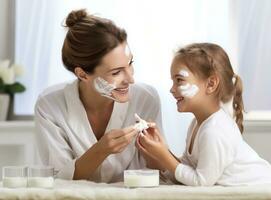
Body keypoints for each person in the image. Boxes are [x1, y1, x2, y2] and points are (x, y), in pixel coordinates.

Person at [34, 9, 163, 183]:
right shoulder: (50, 105)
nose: (131, 79)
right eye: (116, 72)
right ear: (82, 74)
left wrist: (157, 151)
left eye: (130, 63)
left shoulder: (146, 98)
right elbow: (58, 180)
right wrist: (100, 150)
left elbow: (157, 173)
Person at [137, 43, 271, 186]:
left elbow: (201, 183)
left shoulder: (215, 131)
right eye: (173, 81)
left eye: (179, 80)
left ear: (211, 84)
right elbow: (187, 173)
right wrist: (160, 152)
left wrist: (163, 156)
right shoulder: (196, 124)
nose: (172, 89)